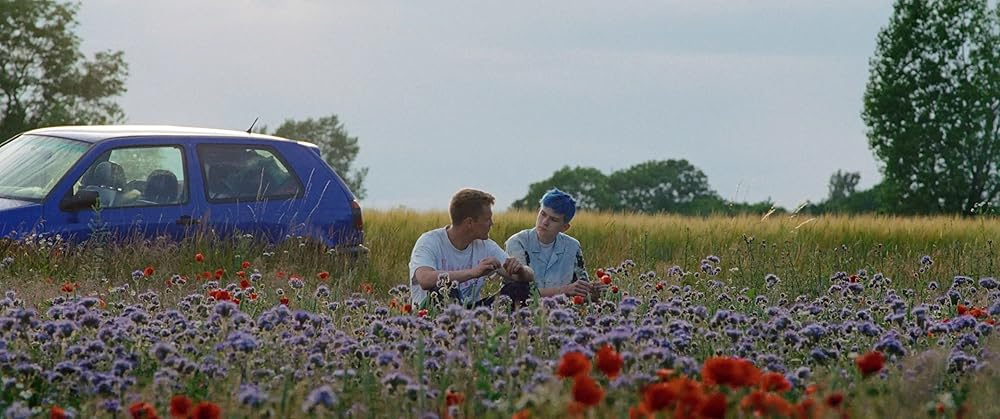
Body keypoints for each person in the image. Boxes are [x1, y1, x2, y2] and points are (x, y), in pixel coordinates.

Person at [409, 188, 534, 308]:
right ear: (469, 223)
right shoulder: (429, 242)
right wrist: (473, 273)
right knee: (445, 290)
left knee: (521, 290)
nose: (492, 223)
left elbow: (529, 276)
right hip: (432, 315)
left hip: (472, 313)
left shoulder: (486, 246)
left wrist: (520, 270)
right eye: (487, 219)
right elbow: (424, 279)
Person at [505, 188, 601, 300]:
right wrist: (564, 291)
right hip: (520, 311)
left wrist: (594, 292)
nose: (545, 222)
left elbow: (581, 292)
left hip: (562, 313)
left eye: (554, 220)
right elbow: (519, 292)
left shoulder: (573, 246)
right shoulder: (517, 242)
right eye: (543, 214)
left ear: (565, 227)